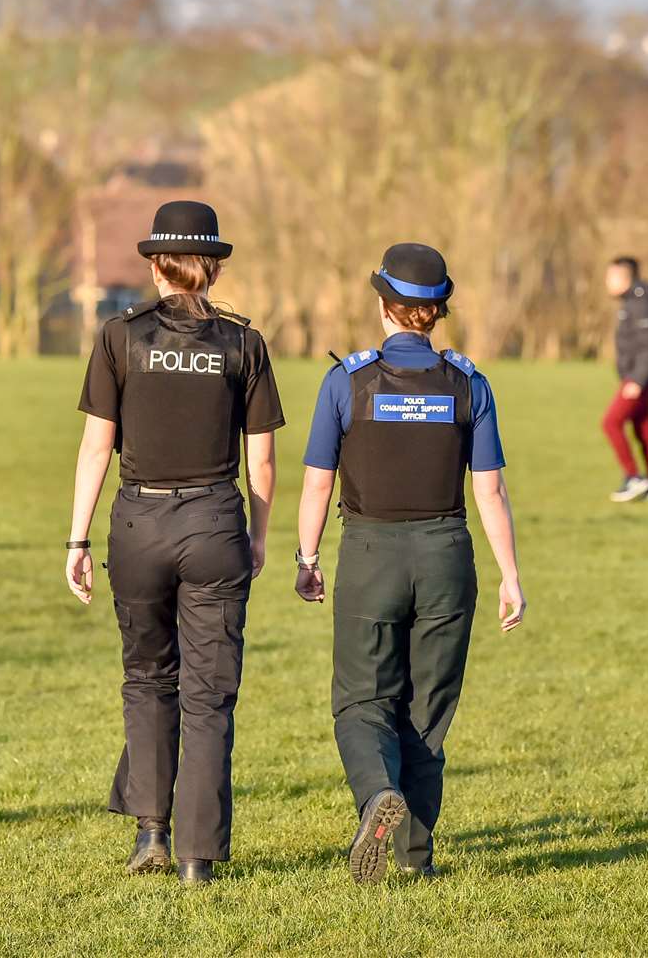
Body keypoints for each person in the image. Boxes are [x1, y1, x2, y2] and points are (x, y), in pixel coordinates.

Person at [65, 200, 284, 887]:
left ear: (156, 264)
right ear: (212, 268)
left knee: (148, 680)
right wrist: (259, 535)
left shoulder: (119, 337)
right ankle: (197, 859)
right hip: (215, 522)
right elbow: (264, 462)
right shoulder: (243, 344)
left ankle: (150, 835)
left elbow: (97, 445)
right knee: (210, 695)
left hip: (138, 524)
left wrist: (75, 538)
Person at [294, 242, 526, 884]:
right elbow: (491, 489)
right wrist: (510, 575)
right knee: (428, 713)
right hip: (448, 556)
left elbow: (318, 482)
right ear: (438, 310)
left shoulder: (349, 380)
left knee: (362, 701)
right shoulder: (468, 382)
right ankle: (416, 861)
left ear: (383, 305)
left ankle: (375, 796)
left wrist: (306, 556)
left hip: (370, 554)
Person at [601, 256, 648, 502]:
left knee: (610, 423)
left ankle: (634, 478)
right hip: (638, 377)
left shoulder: (639, 302)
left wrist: (637, 381)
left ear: (623, 277)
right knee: (644, 428)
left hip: (638, 379)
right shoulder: (633, 301)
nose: (606, 283)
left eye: (610, 277)